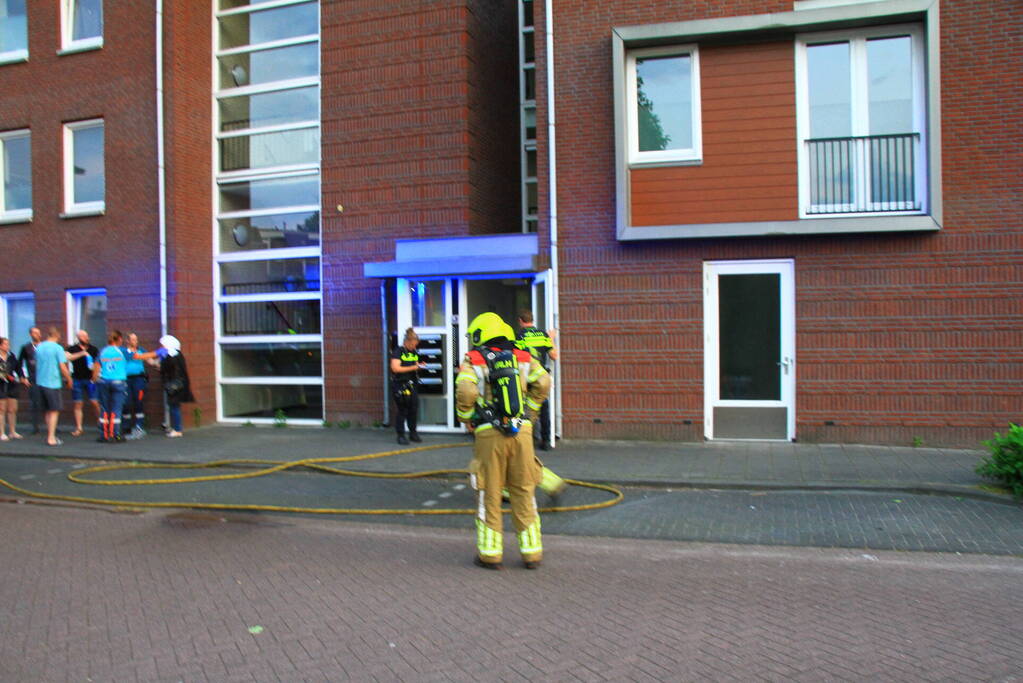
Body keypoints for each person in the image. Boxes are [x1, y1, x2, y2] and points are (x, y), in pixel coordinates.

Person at [455, 312, 551, 570]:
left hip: (489, 435)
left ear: (481, 334)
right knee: (524, 490)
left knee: (490, 492)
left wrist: (466, 418)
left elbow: (466, 390)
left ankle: (490, 554)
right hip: (522, 433)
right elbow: (543, 382)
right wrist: (530, 412)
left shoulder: (473, 359)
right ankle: (532, 554)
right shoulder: (523, 355)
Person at [515, 310, 559, 450]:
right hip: (541, 378)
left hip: (526, 376)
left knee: (524, 408)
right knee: (543, 407)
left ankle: (526, 438)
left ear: (520, 321)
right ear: (532, 320)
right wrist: (551, 338)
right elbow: (554, 355)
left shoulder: (519, 336)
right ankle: (546, 440)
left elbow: (517, 355)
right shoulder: (543, 335)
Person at [35, 327, 73, 447]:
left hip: (40, 382)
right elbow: (62, 366)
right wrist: (69, 379)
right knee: (54, 411)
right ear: (57, 335)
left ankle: (50, 435)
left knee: (47, 411)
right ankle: (51, 438)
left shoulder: (39, 347)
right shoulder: (58, 348)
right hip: (53, 382)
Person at [390, 327, 426, 445]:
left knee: (413, 409)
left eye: (416, 345)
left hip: (412, 384)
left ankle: (413, 433)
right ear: (407, 342)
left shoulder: (414, 352)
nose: (414, 347)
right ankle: (400, 435)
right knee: (402, 410)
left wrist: (420, 366)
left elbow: (415, 365)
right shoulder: (398, 351)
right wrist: (414, 367)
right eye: (413, 345)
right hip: (400, 385)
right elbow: (395, 368)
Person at [92, 330, 130, 443]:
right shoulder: (121, 351)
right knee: (116, 409)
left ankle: (104, 435)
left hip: (103, 382)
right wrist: (158, 352)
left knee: (104, 409)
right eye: (121, 339)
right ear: (119, 339)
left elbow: (96, 367)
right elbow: (138, 356)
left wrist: (94, 381)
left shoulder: (102, 351)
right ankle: (115, 435)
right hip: (118, 383)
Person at [156, 335, 193, 438]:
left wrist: (159, 365)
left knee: (174, 406)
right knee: (174, 406)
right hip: (178, 383)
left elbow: (165, 368)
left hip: (174, 384)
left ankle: (177, 429)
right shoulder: (178, 354)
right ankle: (176, 427)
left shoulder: (171, 356)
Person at [66, 330, 100, 437]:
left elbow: (98, 363)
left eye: (87, 335)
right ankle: (79, 428)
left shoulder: (93, 349)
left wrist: (95, 376)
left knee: (94, 402)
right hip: (77, 379)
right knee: (78, 403)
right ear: (78, 337)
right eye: (83, 336)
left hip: (90, 379)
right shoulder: (72, 348)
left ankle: (101, 423)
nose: (86, 338)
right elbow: (66, 357)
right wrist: (81, 353)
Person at [122, 332, 149, 439]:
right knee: (126, 402)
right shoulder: (123, 351)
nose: (135, 342)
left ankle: (139, 426)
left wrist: (158, 364)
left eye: (136, 339)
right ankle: (126, 426)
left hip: (139, 379)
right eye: (133, 340)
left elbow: (149, 359)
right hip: (126, 380)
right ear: (127, 341)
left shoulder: (141, 350)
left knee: (139, 401)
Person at [17, 327, 43, 434]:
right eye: (34, 333)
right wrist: (22, 377)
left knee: (49, 403)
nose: (36, 335)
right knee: (35, 403)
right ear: (30, 334)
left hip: (46, 378)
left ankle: (53, 426)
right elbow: (19, 363)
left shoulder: (45, 346)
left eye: (38, 333)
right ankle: (35, 426)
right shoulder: (26, 348)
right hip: (33, 379)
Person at [0, 337, 24, 440]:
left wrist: (22, 377)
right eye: (6, 344)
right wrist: (10, 377)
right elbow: (2, 373)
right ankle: (2, 433)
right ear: (0, 346)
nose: (8, 346)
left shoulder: (11, 356)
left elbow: (18, 368)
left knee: (12, 409)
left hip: (12, 385)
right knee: (1, 409)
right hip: (1, 385)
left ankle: (12, 431)